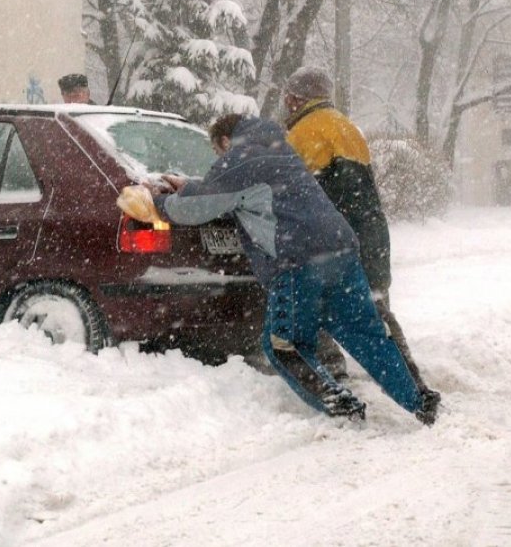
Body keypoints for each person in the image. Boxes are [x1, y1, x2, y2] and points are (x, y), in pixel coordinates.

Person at [123, 113, 438, 424]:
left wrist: (156, 204)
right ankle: (420, 401)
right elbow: (240, 190)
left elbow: (200, 205)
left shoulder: (239, 157)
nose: (221, 159)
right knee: (366, 334)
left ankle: (344, 409)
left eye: (219, 153)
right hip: (339, 249)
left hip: (298, 259)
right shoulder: (278, 149)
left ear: (224, 141)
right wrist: (191, 185)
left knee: (285, 345)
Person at [283, 66, 438, 401]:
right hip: (370, 234)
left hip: (332, 242)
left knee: (310, 305)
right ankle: (411, 380)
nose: (286, 102)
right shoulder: (347, 127)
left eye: (289, 96)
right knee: (376, 311)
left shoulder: (304, 134)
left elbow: (299, 194)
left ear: (297, 98)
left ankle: (333, 379)